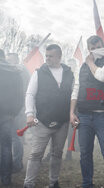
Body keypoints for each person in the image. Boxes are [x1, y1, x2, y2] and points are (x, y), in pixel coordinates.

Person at [70, 35, 104, 188]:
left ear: (102, 44)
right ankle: (87, 184)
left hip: (103, 115)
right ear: (88, 48)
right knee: (85, 154)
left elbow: (103, 77)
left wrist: (90, 62)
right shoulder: (82, 67)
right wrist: (72, 112)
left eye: (97, 45)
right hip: (84, 116)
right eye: (91, 47)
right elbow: (76, 89)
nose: (94, 48)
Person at [23, 44, 74, 188]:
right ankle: (28, 184)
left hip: (62, 122)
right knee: (36, 154)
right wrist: (29, 114)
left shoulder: (69, 73)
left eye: (51, 56)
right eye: (46, 56)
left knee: (57, 154)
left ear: (59, 56)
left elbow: (73, 95)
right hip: (42, 122)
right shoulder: (39, 72)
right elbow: (30, 94)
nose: (47, 58)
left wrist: (72, 113)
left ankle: (53, 183)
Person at [0, 49, 24, 186]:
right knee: (5, 147)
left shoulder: (15, 71)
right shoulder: (15, 72)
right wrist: (14, 113)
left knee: (4, 146)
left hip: (7, 114)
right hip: (8, 115)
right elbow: (20, 95)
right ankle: (6, 179)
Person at [6, 53, 30, 173]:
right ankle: (11, 163)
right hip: (10, 109)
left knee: (17, 137)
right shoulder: (12, 70)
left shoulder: (21, 71)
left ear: (16, 60)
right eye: (7, 60)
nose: (8, 62)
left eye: (10, 60)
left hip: (19, 109)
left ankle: (17, 164)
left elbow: (24, 90)